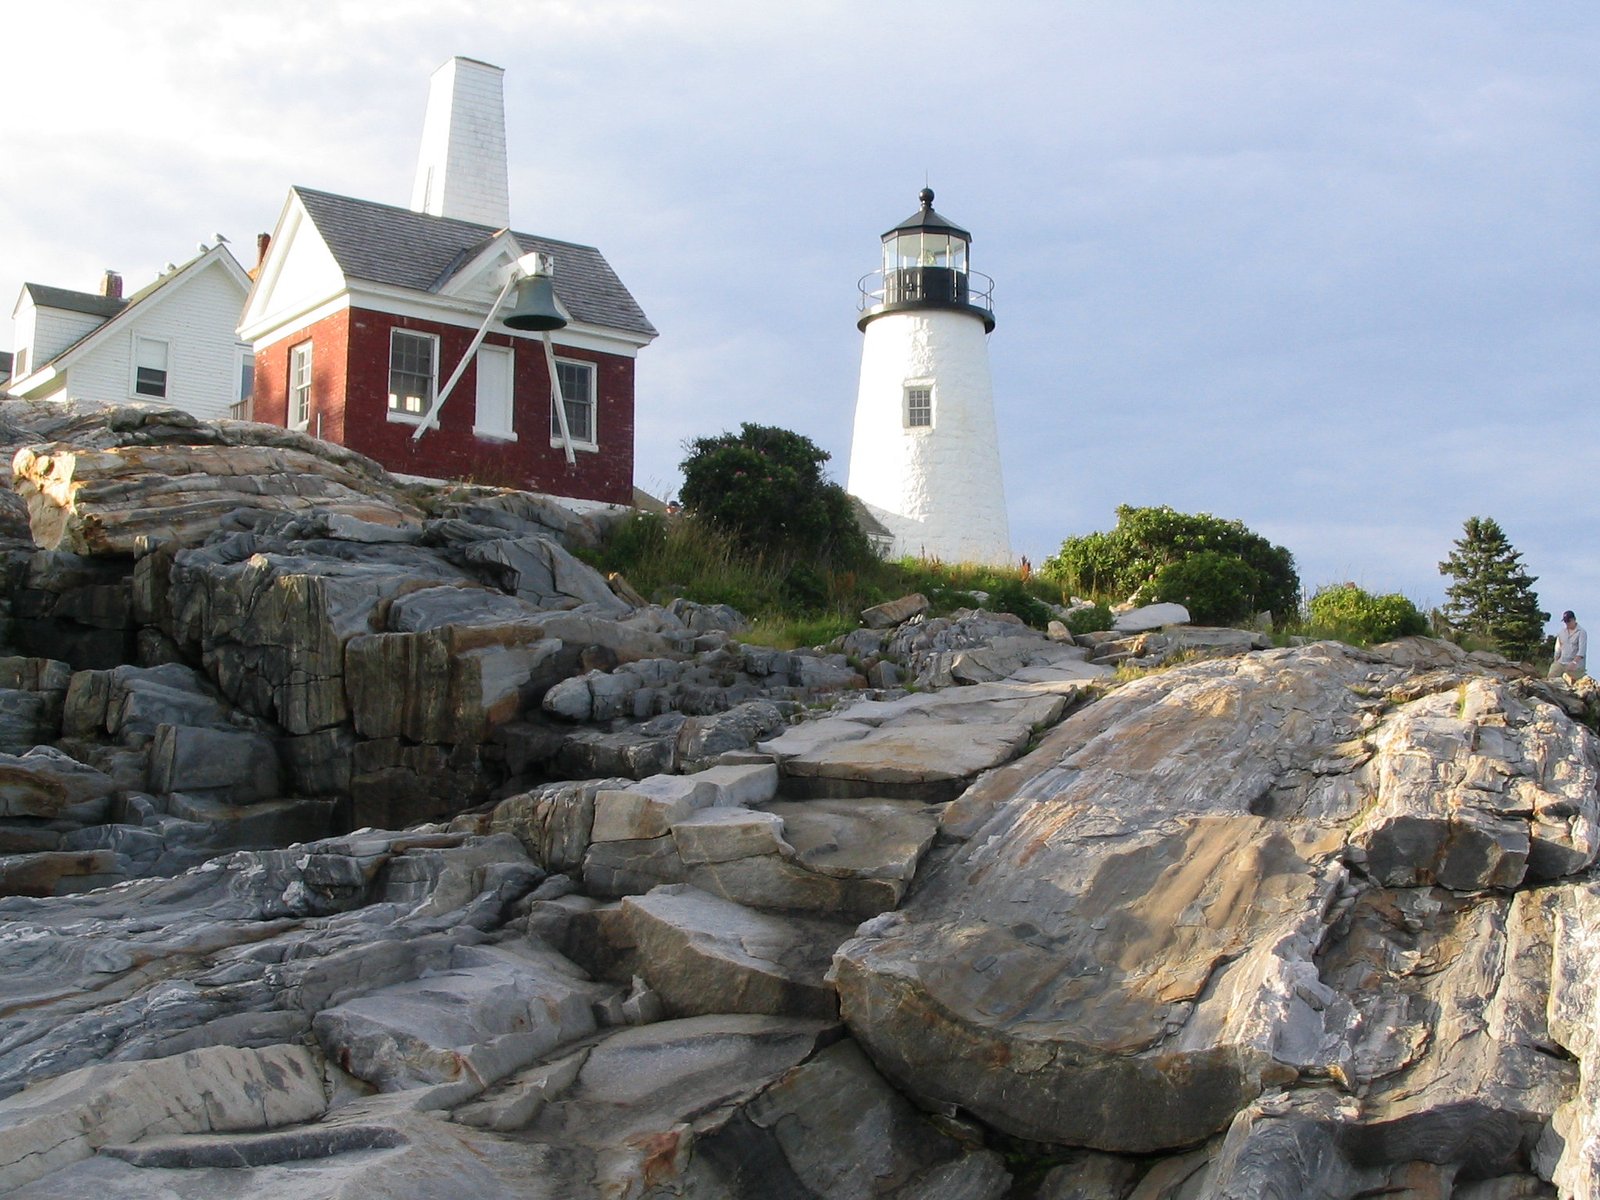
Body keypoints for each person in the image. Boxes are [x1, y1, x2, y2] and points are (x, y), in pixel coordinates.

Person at [1550, 610, 1587, 681]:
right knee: (1551, 676)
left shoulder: (1581, 632)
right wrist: (1556, 660)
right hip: (1561, 662)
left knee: (1574, 682)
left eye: (1569, 621)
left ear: (1574, 619)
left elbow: (1582, 651)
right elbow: (1558, 648)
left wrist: (1574, 662)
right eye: (1565, 621)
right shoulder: (1561, 632)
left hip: (1576, 664)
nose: (1567, 623)